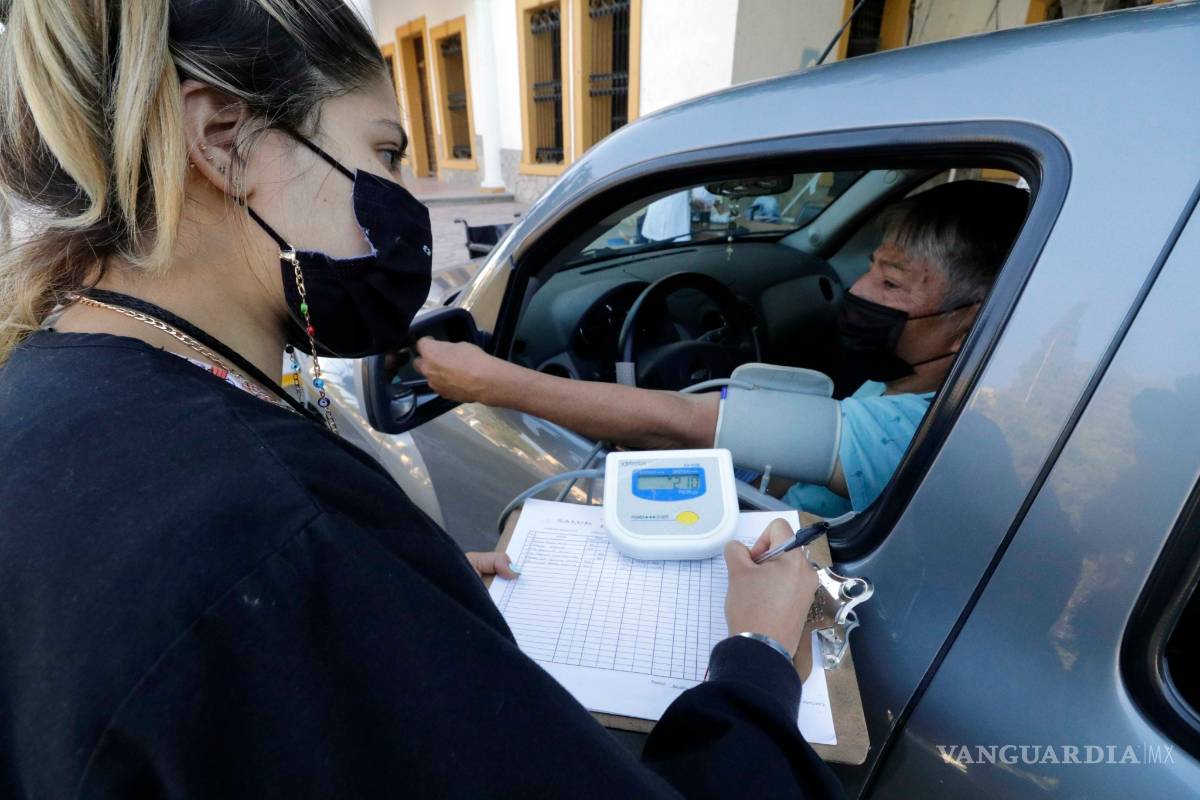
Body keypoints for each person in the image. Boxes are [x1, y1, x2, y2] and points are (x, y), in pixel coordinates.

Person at [0, 2, 842, 797]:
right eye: (386, 153)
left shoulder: (46, 386)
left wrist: (394, 597)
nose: (406, 200)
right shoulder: (277, 536)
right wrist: (760, 651)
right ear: (224, 142)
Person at [415, 181, 1028, 517]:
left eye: (891, 284)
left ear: (972, 323)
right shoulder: (914, 387)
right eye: (871, 266)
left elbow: (680, 419)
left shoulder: (912, 431)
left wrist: (491, 382)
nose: (858, 290)